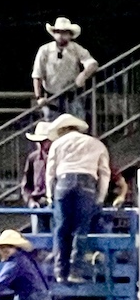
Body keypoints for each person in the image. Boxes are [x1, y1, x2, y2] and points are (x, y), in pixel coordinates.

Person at [45, 113, 110, 284]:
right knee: (81, 228)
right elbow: (104, 173)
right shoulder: (96, 144)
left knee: (61, 228)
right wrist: (100, 197)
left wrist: (50, 194)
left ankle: (60, 271)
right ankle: (75, 270)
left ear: (62, 129)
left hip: (64, 182)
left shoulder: (57, 144)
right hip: (87, 184)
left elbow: (50, 172)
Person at [32, 16, 99, 121]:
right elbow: (37, 74)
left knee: (77, 124)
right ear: (54, 33)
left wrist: (84, 74)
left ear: (70, 35)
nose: (60, 35)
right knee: (52, 127)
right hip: (51, 97)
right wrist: (39, 97)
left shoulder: (76, 49)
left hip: (72, 95)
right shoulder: (45, 50)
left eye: (64, 32)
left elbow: (92, 63)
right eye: (58, 32)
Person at [20, 120, 52, 233]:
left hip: (55, 203)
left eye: (44, 141)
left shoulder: (61, 158)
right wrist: (30, 201)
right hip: (38, 203)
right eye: (38, 141)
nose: (41, 144)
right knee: (39, 237)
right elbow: (26, 184)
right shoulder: (33, 158)